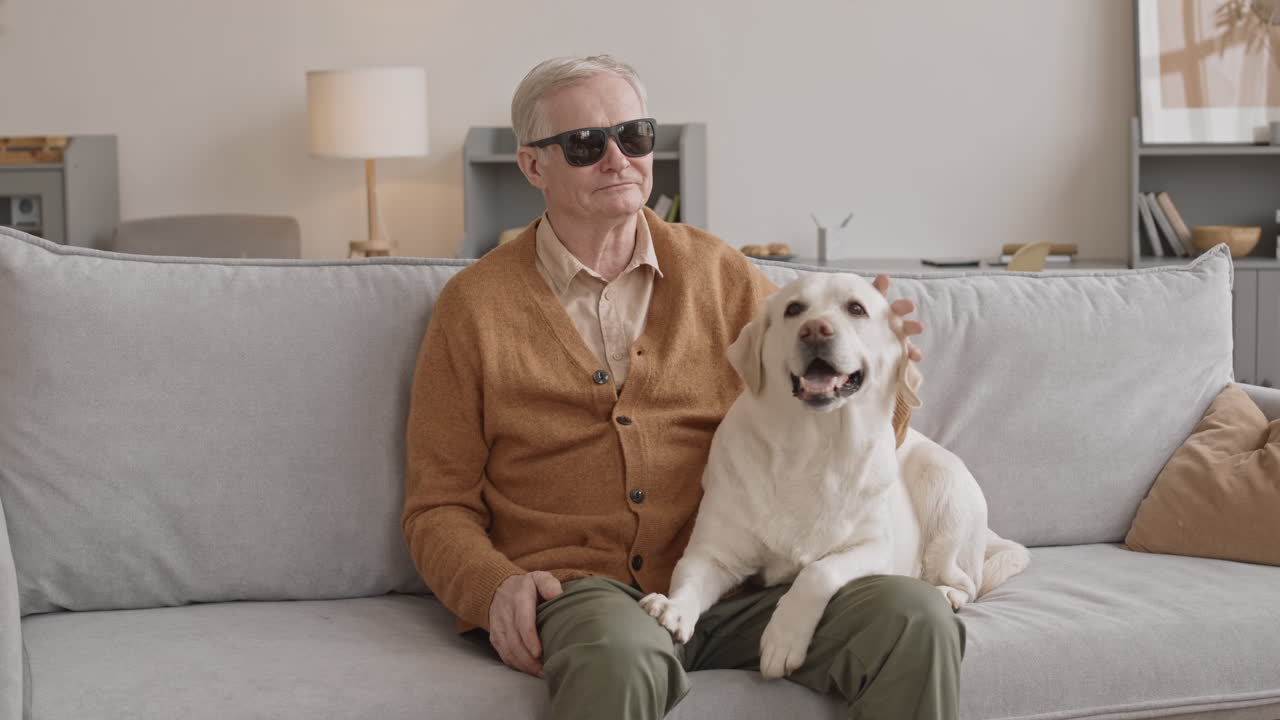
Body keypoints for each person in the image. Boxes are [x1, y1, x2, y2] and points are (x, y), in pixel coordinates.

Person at [402, 55, 962, 720]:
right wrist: (491, 586)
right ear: (532, 167)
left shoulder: (722, 275)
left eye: (634, 136)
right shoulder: (474, 306)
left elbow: (840, 436)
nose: (618, 160)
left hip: (740, 589)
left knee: (915, 616)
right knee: (624, 655)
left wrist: (883, 378)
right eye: (585, 145)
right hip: (587, 594)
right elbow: (437, 505)